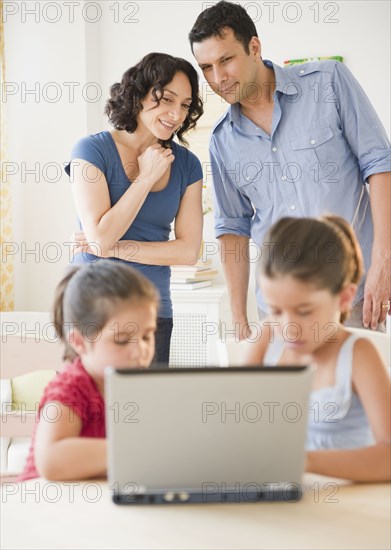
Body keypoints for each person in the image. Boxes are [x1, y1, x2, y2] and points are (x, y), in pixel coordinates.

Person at [189, 1, 391, 336]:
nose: (217, 78)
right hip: (279, 314)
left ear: (254, 47)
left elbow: (379, 165)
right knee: (287, 392)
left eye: (226, 60)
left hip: (349, 297)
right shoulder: (222, 141)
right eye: (206, 67)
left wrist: (384, 261)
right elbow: (233, 229)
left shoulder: (329, 83)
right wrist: (240, 321)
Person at [65, 52, 204, 366]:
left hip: (152, 312)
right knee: (89, 410)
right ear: (139, 95)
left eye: (184, 105)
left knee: (147, 413)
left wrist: (114, 247)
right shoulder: (90, 150)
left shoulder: (187, 165)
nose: (176, 114)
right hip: (93, 308)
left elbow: (187, 252)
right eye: (166, 99)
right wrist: (146, 178)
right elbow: (100, 238)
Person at [246, 215, 390, 482]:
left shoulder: (359, 355)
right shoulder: (267, 337)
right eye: (275, 310)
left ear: (344, 298)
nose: (288, 327)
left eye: (304, 311)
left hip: (346, 503)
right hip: (280, 494)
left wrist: (303, 460)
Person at [19, 261, 159, 481]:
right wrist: (134, 452)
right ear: (79, 341)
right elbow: (51, 459)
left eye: (147, 336)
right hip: (45, 507)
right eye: (122, 341)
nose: (140, 351)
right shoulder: (71, 387)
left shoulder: (135, 386)